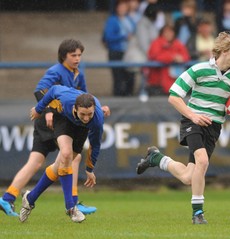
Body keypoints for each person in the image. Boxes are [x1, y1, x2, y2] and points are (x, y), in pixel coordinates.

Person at [136, 32, 230, 224]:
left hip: (214, 127)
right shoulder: (198, 69)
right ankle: (197, 213)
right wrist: (193, 116)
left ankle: (156, 158)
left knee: (189, 177)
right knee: (203, 161)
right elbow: (174, 96)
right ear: (223, 51)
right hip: (193, 121)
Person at [0, 39, 108, 217]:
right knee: (68, 157)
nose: (77, 58)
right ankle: (72, 203)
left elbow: (85, 98)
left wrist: (99, 108)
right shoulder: (55, 71)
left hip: (67, 117)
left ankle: (9, 196)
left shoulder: (77, 74)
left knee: (45, 160)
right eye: (73, 55)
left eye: (80, 55)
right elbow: (41, 91)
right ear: (63, 56)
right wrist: (48, 111)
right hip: (50, 119)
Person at [20, 85, 105, 223]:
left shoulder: (96, 120)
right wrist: (38, 109)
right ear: (75, 108)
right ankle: (71, 207)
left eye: (90, 114)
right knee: (66, 154)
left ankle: (30, 198)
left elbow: (95, 145)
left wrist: (90, 168)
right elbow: (53, 90)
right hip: (63, 119)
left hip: (80, 130)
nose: (86, 117)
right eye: (83, 114)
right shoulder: (66, 100)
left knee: (59, 166)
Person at [147, 24, 190, 95]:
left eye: (171, 32)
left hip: (175, 82)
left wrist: (181, 58)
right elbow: (156, 56)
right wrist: (172, 57)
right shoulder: (156, 43)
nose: (169, 34)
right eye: (166, 32)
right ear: (162, 33)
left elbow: (186, 56)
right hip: (158, 83)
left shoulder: (177, 43)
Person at [103, 0, 134, 96]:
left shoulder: (130, 19)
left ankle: (128, 96)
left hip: (128, 52)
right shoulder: (112, 20)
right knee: (118, 77)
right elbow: (108, 37)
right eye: (120, 7)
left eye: (124, 7)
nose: (122, 9)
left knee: (130, 75)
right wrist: (123, 37)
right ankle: (118, 97)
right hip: (116, 52)